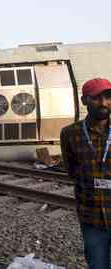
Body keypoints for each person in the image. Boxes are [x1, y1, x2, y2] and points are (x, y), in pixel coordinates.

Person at [61, 78, 111, 269]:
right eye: (96, 98)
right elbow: (72, 170)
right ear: (84, 101)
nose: (104, 103)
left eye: (108, 97)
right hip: (91, 217)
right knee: (97, 265)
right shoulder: (70, 133)